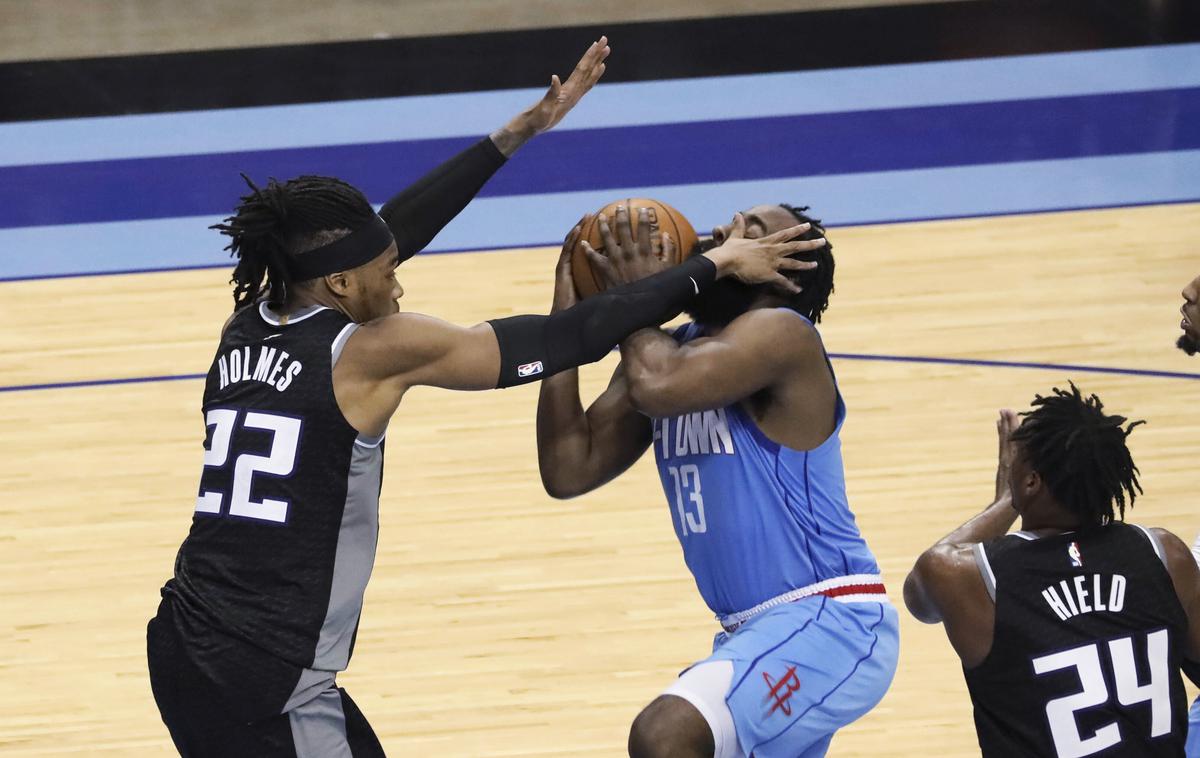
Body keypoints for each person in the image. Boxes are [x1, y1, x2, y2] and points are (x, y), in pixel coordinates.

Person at [145, 37, 828, 756]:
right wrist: (711, 262)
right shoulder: (378, 348)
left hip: (188, 633)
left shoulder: (250, 319)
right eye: (387, 272)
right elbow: (564, 341)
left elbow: (384, 235)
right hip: (270, 667)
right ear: (342, 285)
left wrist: (518, 133)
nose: (399, 280)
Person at [536, 204, 898, 758]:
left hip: (831, 617)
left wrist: (634, 300)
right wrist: (563, 326)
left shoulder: (782, 334)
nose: (720, 237)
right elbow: (568, 467)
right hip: (755, 632)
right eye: (726, 227)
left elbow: (660, 386)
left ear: (783, 269)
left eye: (749, 233)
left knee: (666, 732)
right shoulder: (665, 349)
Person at [904, 384, 1200, 757]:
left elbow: (919, 595)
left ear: (1031, 481)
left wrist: (1007, 501)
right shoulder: (1165, 555)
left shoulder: (968, 578)